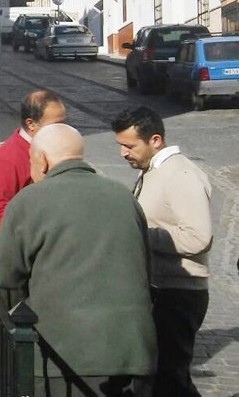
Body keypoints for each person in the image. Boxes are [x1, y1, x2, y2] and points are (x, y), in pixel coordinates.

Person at [0, 124, 155, 394]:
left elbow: (5, 271)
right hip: (133, 353)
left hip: (66, 358)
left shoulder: (30, 200)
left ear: (41, 160)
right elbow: (146, 268)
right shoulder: (123, 196)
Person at [112, 106, 211, 397]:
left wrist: (139, 234)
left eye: (129, 146)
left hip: (178, 293)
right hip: (159, 290)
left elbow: (198, 238)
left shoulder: (180, 174)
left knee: (171, 379)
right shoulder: (153, 171)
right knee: (157, 378)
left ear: (155, 140)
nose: (123, 153)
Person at [0, 89, 65, 236]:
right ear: (31, 124)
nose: (62, 130)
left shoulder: (56, 146)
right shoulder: (8, 158)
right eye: (56, 124)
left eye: (64, 123)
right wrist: (38, 233)